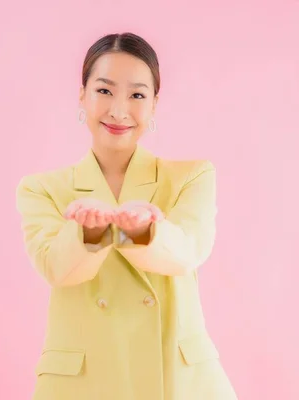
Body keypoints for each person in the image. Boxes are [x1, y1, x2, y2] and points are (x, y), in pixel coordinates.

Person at [15, 32, 237, 400]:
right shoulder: (41, 188)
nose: (119, 110)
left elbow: (186, 252)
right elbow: (55, 265)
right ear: (82, 94)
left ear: (154, 105)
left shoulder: (192, 175)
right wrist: (94, 232)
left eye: (137, 95)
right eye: (104, 90)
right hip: (84, 384)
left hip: (178, 381)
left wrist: (140, 232)